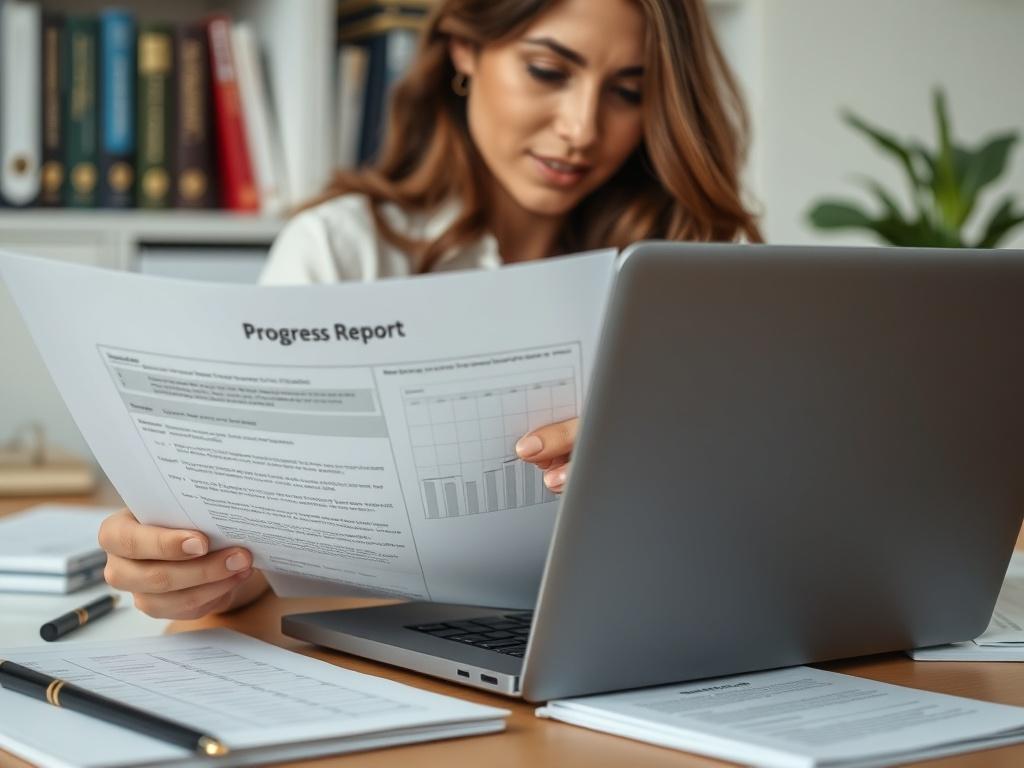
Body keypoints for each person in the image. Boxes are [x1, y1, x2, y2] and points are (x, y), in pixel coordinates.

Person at [99, 0, 762, 620]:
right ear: (464, 51)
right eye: (547, 71)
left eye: (628, 91)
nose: (580, 128)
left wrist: (670, 466)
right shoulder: (340, 250)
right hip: (386, 650)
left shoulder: (684, 269)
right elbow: (262, 544)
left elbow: (751, 533)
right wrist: (203, 573)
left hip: (634, 633)